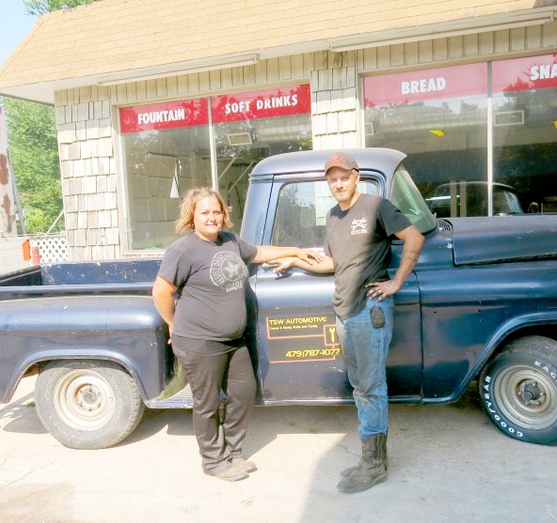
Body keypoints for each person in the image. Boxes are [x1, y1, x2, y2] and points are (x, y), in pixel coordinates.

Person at [272, 152, 424, 493]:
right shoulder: (333, 216)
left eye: (343, 176)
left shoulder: (376, 206)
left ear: (356, 176)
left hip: (369, 311)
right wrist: (295, 260)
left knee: (371, 387)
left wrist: (396, 282)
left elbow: (414, 238)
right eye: (332, 178)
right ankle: (370, 458)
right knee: (361, 386)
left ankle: (374, 465)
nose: (338, 183)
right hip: (344, 311)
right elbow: (333, 263)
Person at [152, 187, 320, 482]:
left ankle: (233, 451)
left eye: (216, 211)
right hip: (200, 342)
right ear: (192, 215)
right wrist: (173, 322)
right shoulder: (183, 249)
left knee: (243, 392)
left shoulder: (229, 241)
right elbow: (161, 291)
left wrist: (293, 251)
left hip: (233, 341)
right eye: (205, 212)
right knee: (206, 404)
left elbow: (257, 253)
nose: (212, 217)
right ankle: (214, 462)